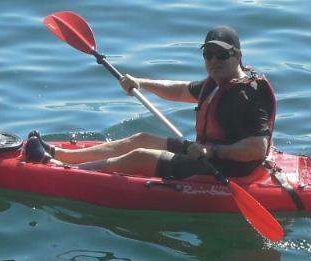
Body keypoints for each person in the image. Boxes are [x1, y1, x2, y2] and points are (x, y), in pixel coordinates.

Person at [24, 26, 276, 179]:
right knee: (142, 138)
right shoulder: (217, 82)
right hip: (207, 153)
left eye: (221, 54)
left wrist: (213, 151)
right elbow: (181, 91)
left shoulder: (247, 96)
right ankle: (61, 154)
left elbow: (257, 148)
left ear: (238, 56)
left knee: (140, 156)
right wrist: (140, 82)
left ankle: (62, 171)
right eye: (207, 54)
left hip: (224, 167)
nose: (213, 61)